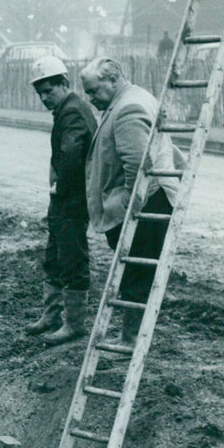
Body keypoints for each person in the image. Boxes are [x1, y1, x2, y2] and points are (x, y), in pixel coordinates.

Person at [80, 57, 182, 345]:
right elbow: (169, 147)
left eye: (94, 91)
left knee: (136, 275)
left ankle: (131, 340)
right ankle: (131, 336)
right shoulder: (134, 98)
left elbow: (138, 170)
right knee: (136, 274)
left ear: (113, 80)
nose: (90, 99)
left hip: (146, 206)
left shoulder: (128, 108)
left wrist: (125, 210)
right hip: (151, 202)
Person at [26, 56, 97, 344]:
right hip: (64, 198)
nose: (44, 98)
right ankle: (52, 315)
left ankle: (74, 323)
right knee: (54, 254)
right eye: (40, 93)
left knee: (72, 256)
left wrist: (59, 186)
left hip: (73, 198)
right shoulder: (66, 110)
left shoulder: (73, 113)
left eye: (49, 91)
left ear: (64, 84)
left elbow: (70, 155)